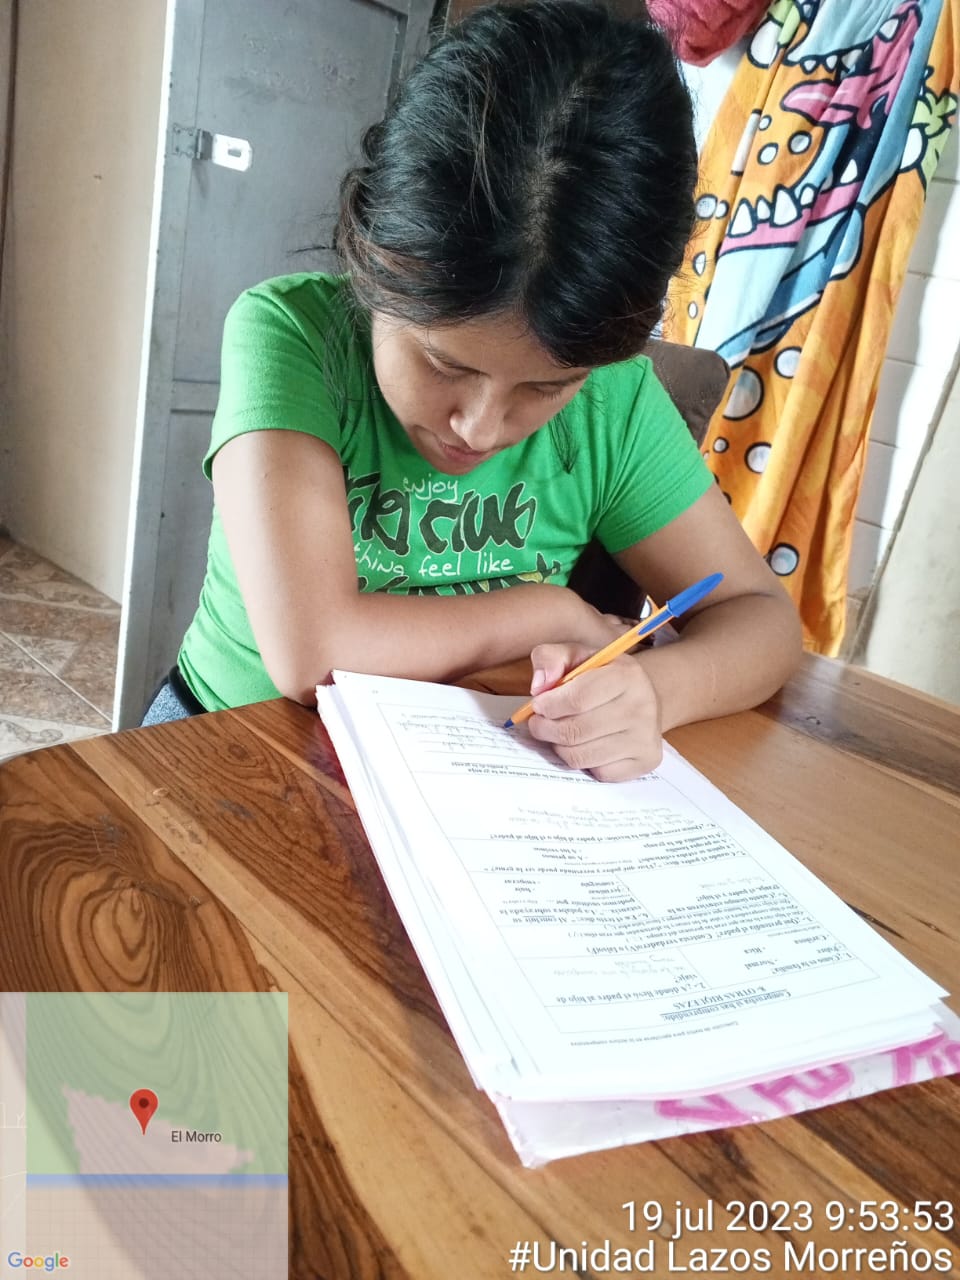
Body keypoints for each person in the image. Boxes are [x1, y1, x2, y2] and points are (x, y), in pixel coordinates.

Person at [142, 0, 802, 781]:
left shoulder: (616, 399)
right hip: (230, 742)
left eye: (547, 387)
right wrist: (550, 611)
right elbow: (312, 654)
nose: (481, 428)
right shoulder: (292, 336)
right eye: (445, 365)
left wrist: (656, 691)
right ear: (371, 258)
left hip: (455, 771)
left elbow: (761, 619)